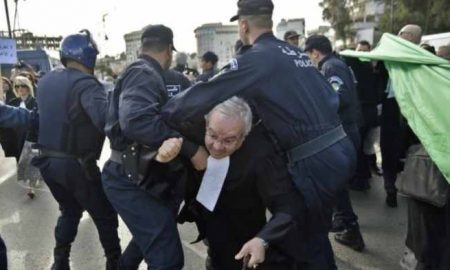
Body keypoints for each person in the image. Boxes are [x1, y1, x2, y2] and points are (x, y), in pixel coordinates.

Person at [162, 0, 357, 268]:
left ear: (243, 25)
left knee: (304, 243)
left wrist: (168, 110)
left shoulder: (258, 58)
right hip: (341, 148)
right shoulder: (296, 53)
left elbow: (203, 95)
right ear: (271, 21)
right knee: (315, 234)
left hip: (313, 160)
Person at [101, 24, 206, 270]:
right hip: (130, 174)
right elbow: (136, 121)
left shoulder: (142, 71)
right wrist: (190, 148)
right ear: (169, 50)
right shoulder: (144, 72)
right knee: (167, 259)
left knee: (144, 243)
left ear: (141, 48)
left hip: (139, 173)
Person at [31, 30, 121, 270]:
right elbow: (104, 120)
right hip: (76, 164)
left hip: (47, 163)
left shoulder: (46, 81)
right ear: (88, 56)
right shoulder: (86, 83)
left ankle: (60, 262)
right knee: (105, 215)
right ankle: (115, 263)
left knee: (69, 211)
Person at [304, 34, 364, 251]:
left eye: (308, 55)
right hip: (344, 132)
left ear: (315, 52)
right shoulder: (337, 63)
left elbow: (339, 97)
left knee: (335, 184)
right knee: (337, 184)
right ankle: (341, 221)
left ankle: (351, 229)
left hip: (342, 133)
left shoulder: (330, 67)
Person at [380, 24, 423, 208]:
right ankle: (390, 188)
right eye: (400, 34)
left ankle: (411, 186)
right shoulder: (386, 56)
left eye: (405, 34)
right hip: (390, 108)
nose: (401, 37)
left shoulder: (421, 59)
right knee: (388, 148)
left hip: (412, 109)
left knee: (406, 150)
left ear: (414, 38)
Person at [9, 76, 40, 198]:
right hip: (17, 137)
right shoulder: (12, 102)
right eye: (17, 86)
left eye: (23, 86)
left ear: (28, 87)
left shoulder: (35, 102)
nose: (20, 88)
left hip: (31, 136)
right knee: (20, 161)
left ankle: (31, 188)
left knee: (32, 161)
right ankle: (28, 181)